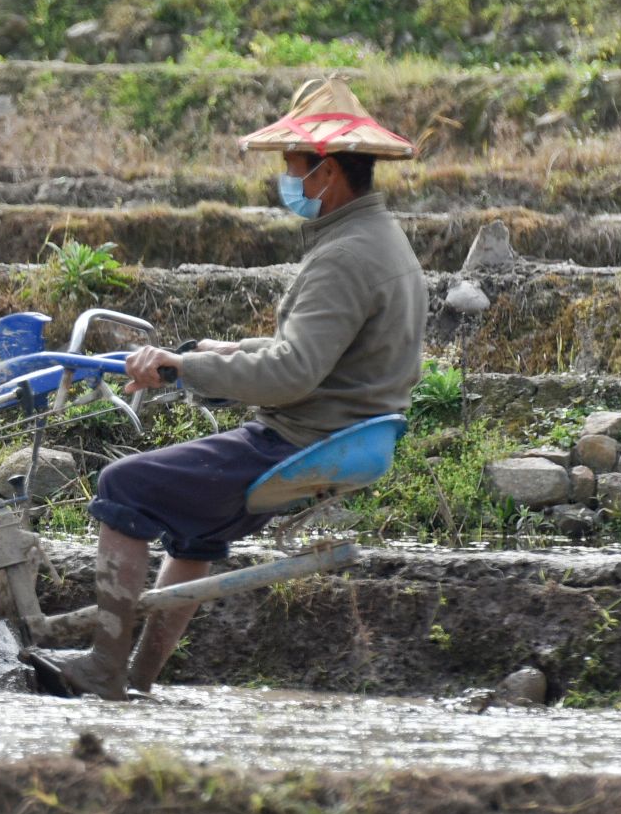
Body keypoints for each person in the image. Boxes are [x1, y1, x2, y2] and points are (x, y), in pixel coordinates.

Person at [33, 78, 428, 701]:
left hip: (300, 436)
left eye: (292, 168)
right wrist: (229, 352)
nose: (287, 181)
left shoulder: (344, 257)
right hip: (343, 429)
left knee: (123, 484)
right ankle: (137, 678)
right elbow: (324, 351)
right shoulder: (382, 242)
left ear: (325, 171)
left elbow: (292, 374)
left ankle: (105, 665)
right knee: (197, 529)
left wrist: (185, 369)